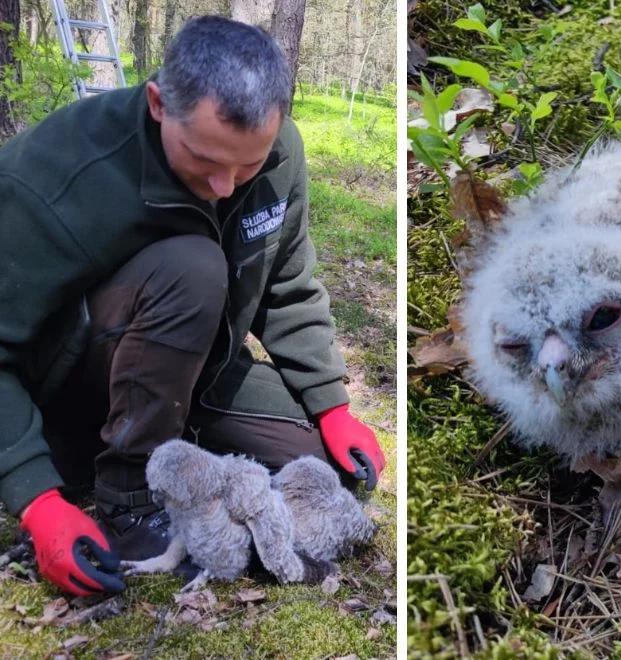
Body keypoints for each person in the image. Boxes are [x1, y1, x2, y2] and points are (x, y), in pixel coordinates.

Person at [0, 16, 386, 597]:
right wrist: (35, 496)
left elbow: (287, 282)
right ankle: (130, 501)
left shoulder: (280, 153)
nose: (227, 185)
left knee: (317, 467)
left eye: (246, 165)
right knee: (193, 266)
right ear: (158, 104)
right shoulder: (57, 176)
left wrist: (332, 404)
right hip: (59, 395)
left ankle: (173, 456)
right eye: (205, 160)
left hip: (187, 372)